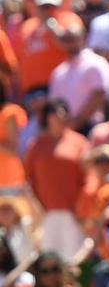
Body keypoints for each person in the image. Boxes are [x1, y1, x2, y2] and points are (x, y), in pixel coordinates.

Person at [23, 99, 92, 257]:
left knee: (73, 259)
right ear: (48, 118)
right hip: (44, 215)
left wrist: (81, 206)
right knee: (48, 260)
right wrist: (35, 208)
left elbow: (89, 177)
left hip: (73, 214)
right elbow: (27, 178)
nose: (60, 118)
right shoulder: (35, 145)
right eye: (56, 114)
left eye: (64, 114)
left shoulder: (80, 143)